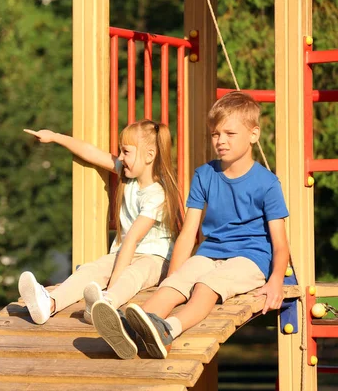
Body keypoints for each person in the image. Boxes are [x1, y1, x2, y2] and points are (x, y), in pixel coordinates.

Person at [91, 91, 290, 360]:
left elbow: (279, 242)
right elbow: (188, 233)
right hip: (210, 252)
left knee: (206, 286)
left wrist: (276, 279)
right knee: (178, 282)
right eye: (215, 134)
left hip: (251, 258)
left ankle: (168, 330)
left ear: (253, 134)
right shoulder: (205, 174)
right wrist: (172, 276)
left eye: (230, 134)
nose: (221, 141)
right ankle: (129, 330)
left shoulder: (267, 183)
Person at [18, 119, 184, 359]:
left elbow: (133, 239)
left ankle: (106, 304)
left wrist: (112, 284)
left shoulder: (157, 194)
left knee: (132, 275)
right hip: (124, 252)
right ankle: (49, 303)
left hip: (155, 259)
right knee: (90, 269)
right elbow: (90, 151)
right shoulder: (127, 175)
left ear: (149, 155)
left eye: (126, 151)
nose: (120, 156)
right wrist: (55, 136)